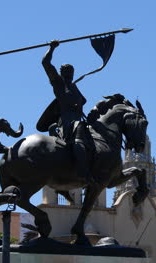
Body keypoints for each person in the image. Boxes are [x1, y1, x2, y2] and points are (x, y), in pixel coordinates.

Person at [40, 40, 94, 185]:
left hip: (78, 119)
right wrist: (51, 48)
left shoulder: (73, 86)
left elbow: (83, 100)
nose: (70, 74)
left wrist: (79, 105)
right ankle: (83, 172)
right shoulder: (58, 83)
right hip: (67, 120)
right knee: (78, 138)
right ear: (62, 73)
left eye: (71, 72)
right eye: (67, 72)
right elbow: (45, 63)